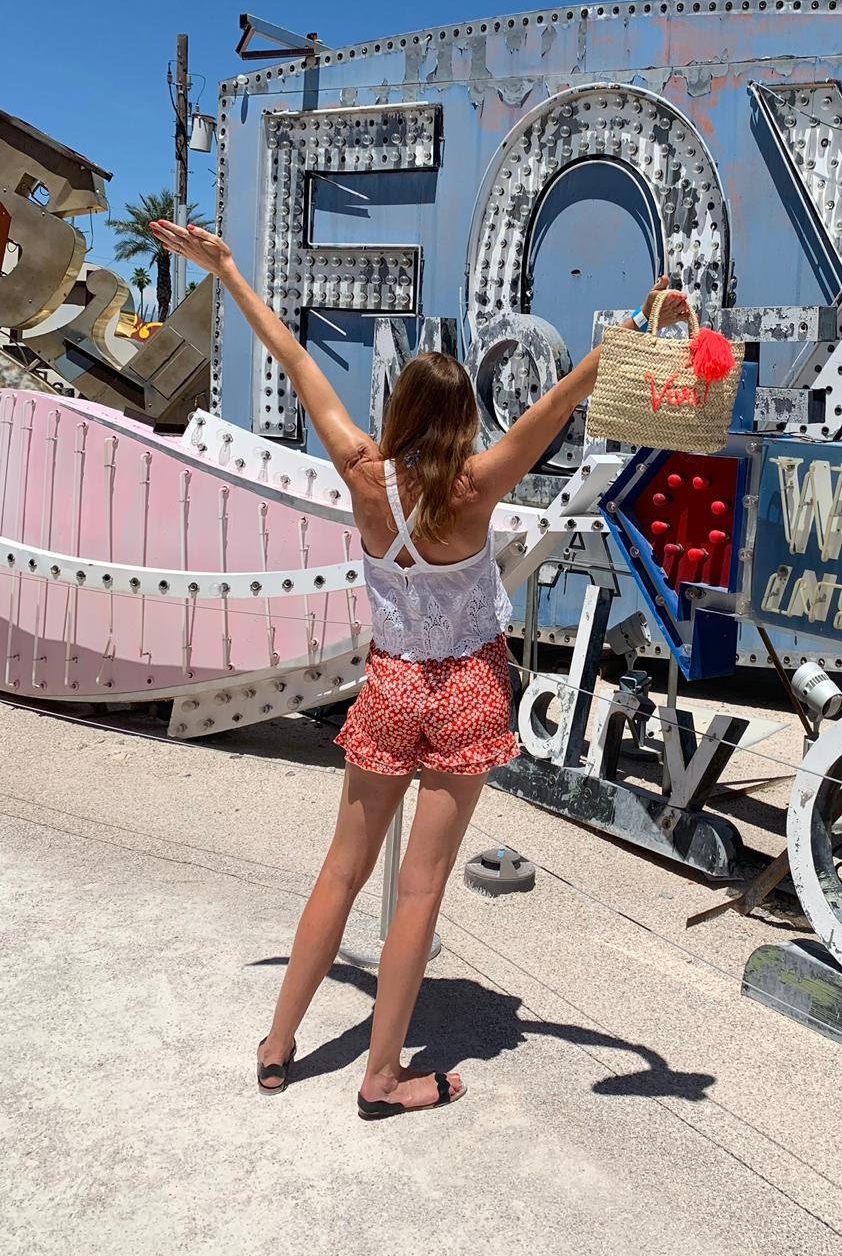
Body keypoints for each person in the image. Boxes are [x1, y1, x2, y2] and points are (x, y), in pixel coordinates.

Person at [150, 217, 687, 1119]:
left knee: (340, 871)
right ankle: (383, 1075)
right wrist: (637, 331)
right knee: (422, 888)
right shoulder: (480, 485)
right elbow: (565, 400)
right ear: (466, 419)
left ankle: (280, 1045)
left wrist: (232, 270)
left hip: (392, 684)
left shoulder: (363, 473)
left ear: (397, 413)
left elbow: (290, 356)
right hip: (469, 685)